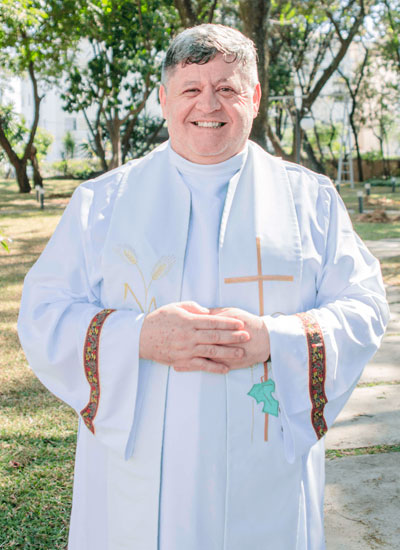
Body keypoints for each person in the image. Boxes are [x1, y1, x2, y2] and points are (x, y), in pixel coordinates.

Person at [18, 24, 388, 550]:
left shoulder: (313, 201)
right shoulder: (101, 203)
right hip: (138, 476)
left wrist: (276, 340)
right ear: (164, 100)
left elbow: (365, 306)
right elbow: (42, 314)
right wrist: (140, 337)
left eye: (228, 88)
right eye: (191, 89)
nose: (207, 104)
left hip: (267, 473)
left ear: (255, 98)